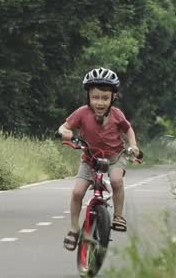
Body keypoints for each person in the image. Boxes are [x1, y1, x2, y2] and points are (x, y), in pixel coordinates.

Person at [57, 67, 140, 251]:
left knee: (117, 181)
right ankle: (74, 228)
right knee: (77, 193)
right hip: (90, 158)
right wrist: (67, 133)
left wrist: (133, 146)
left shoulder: (117, 115)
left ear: (113, 98)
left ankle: (118, 216)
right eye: (95, 97)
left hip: (114, 157)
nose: (100, 102)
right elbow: (64, 127)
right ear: (88, 97)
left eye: (105, 98)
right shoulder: (81, 113)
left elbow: (128, 130)